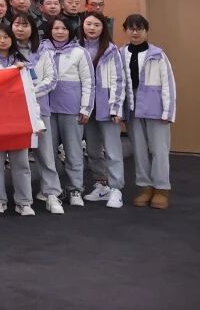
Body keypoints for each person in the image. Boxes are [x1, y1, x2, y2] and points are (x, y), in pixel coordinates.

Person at [0, 24, 35, 216]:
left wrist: (35, 120)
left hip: (18, 117)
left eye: (6, 37)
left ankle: (24, 201)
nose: (2, 41)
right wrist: (11, 71)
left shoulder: (22, 60)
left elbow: (31, 89)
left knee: (21, 162)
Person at [121, 14, 175, 209]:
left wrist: (168, 111)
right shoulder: (120, 53)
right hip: (132, 106)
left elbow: (168, 84)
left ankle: (161, 188)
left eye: (140, 29)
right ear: (126, 30)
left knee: (159, 149)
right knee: (139, 149)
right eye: (131, 29)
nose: (135, 33)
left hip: (155, 107)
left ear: (146, 31)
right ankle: (145, 187)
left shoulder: (158, 55)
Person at [12, 14, 63, 214]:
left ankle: (52, 193)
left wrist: (29, 92)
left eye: (25, 25)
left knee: (46, 154)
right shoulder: (7, 50)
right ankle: (23, 199)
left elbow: (52, 79)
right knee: (20, 157)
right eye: (17, 25)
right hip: (15, 111)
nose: (20, 29)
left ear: (32, 29)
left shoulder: (43, 51)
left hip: (40, 110)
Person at [42, 17, 93, 209]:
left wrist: (86, 108)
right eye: (56, 28)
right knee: (47, 153)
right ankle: (51, 191)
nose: (60, 32)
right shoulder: (42, 50)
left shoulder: (80, 52)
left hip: (72, 109)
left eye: (64, 28)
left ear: (70, 31)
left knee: (73, 151)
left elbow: (88, 82)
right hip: (47, 109)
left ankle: (75, 189)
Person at [80, 13, 127, 209]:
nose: (92, 28)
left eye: (96, 24)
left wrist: (116, 108)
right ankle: (101, 184)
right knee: (92, 150)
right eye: (88, 24)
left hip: (107, 107)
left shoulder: (111, 50)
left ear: (103, 28)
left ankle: (116, 188)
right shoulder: (77, 47)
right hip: (86, 107)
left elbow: (118, 80)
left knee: (112, 150)